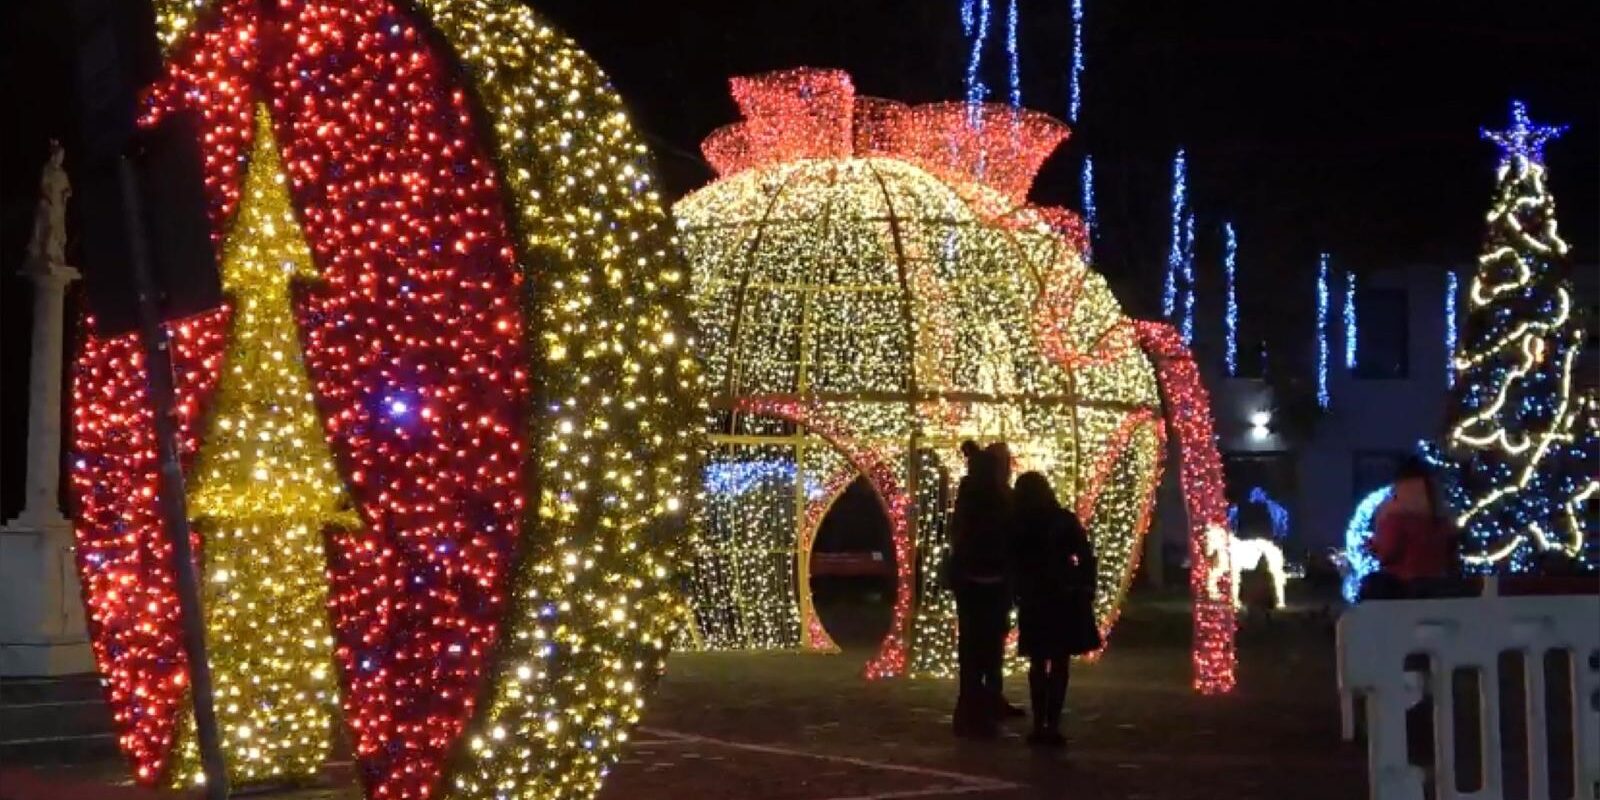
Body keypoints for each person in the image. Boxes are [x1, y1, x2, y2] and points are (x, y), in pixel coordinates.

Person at [1011, 471, 1099, 747]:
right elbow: (1085, 554)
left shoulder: (1020, 523)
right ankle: (1052, 722)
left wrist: (1017, 589)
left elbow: (1012, 559)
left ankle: (1040, 723)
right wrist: (1083, 585)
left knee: (1038, 662)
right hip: (1062, 595)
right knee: (1059, 662)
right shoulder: (1062, 519)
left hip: (1036, 596)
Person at [948, 442, 1013, 738]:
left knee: (977, 647)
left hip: (974, 580)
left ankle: (976, 705)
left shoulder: (971, 494)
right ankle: (979, 707)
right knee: (986, 646)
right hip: (988, 580)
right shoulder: (994, 498)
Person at [1362, 456, 1458, 600]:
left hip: (1403, 588)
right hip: (1437, 586)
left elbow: (1388, 554)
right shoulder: (1441, 516)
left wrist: (1373, 546)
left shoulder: (1395, 516)